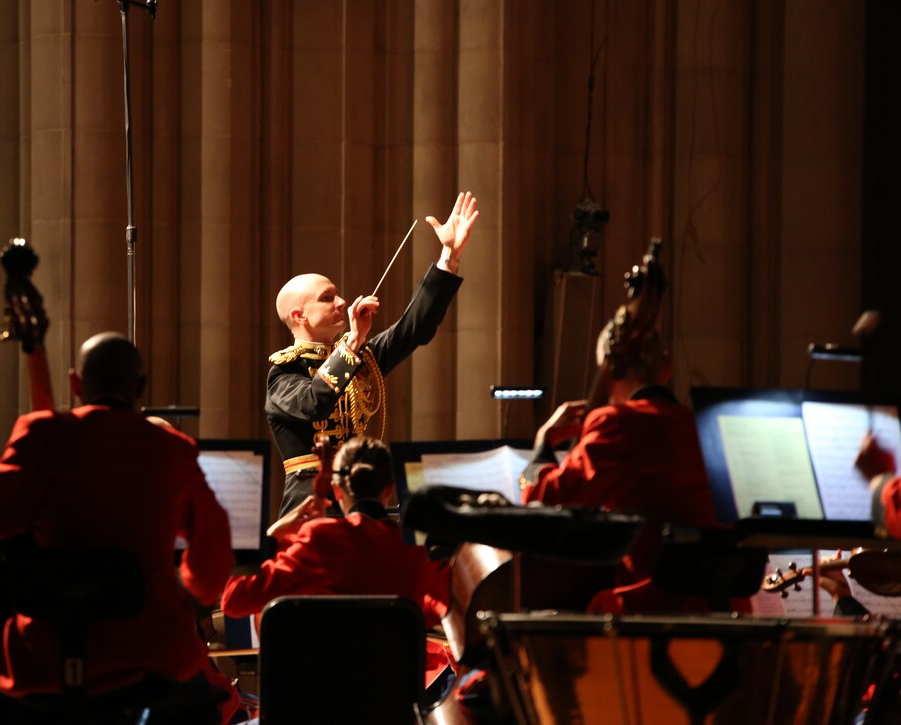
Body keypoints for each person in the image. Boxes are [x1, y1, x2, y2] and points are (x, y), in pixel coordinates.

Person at [0, 332, 238, 724]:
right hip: (149, 650)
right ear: (140, 388)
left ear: (76, 384)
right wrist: (185, 591)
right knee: (215, 702)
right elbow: (211, 565)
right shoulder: (173, 450)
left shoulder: (41, 433)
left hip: (42, 654)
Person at [267, 192, 479, 516]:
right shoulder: (284, 372)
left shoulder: (358, 356)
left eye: (338, 295)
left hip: (363, 501)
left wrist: (449, 256)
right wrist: (352, 343)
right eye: (328, 298)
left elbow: (414, 328)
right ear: (300, 316)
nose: (341, 302)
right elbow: (314, 402)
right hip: (310, 507)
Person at [220, 436, 451, 685]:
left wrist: (275, 536)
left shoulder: (319, 541)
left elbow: (234, 600)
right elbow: (445, 642)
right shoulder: (414, 552)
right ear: (389, 489)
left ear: (337, 489)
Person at [519, 323, 718, 610]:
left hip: (655, 603)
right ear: (667, 366)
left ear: (610, 371)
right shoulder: (702, 423)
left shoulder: (618, 423)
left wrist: (543, 444)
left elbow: (545, 502)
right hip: (720, 599)